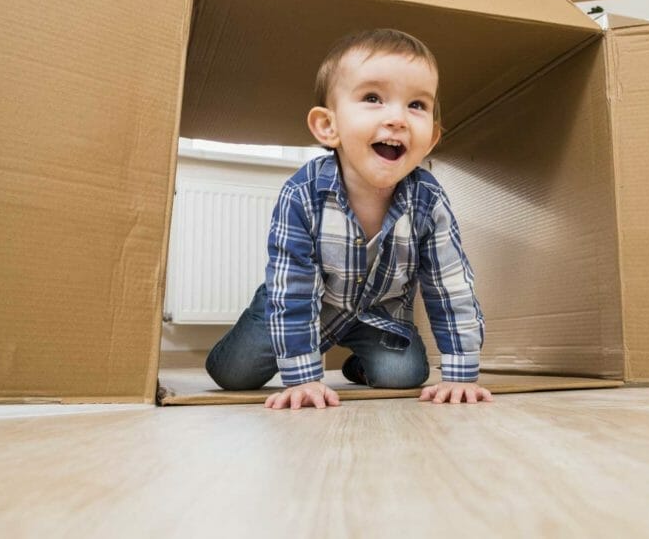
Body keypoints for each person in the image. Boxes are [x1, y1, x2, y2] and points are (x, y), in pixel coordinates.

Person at [205, 28, 493, 409]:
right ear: (329, 126)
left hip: (378, 317)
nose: (398, 119)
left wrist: (461, 375)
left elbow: (449, 286)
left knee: (404, 377)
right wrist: (302, 379)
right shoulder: (303, 193)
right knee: (233, 376)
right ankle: (263, 331)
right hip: (304, 303)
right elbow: (293, 288)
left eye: (417, 105)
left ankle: (358, 366)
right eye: (373, 98)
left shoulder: (429, 199)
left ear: (433, 138)